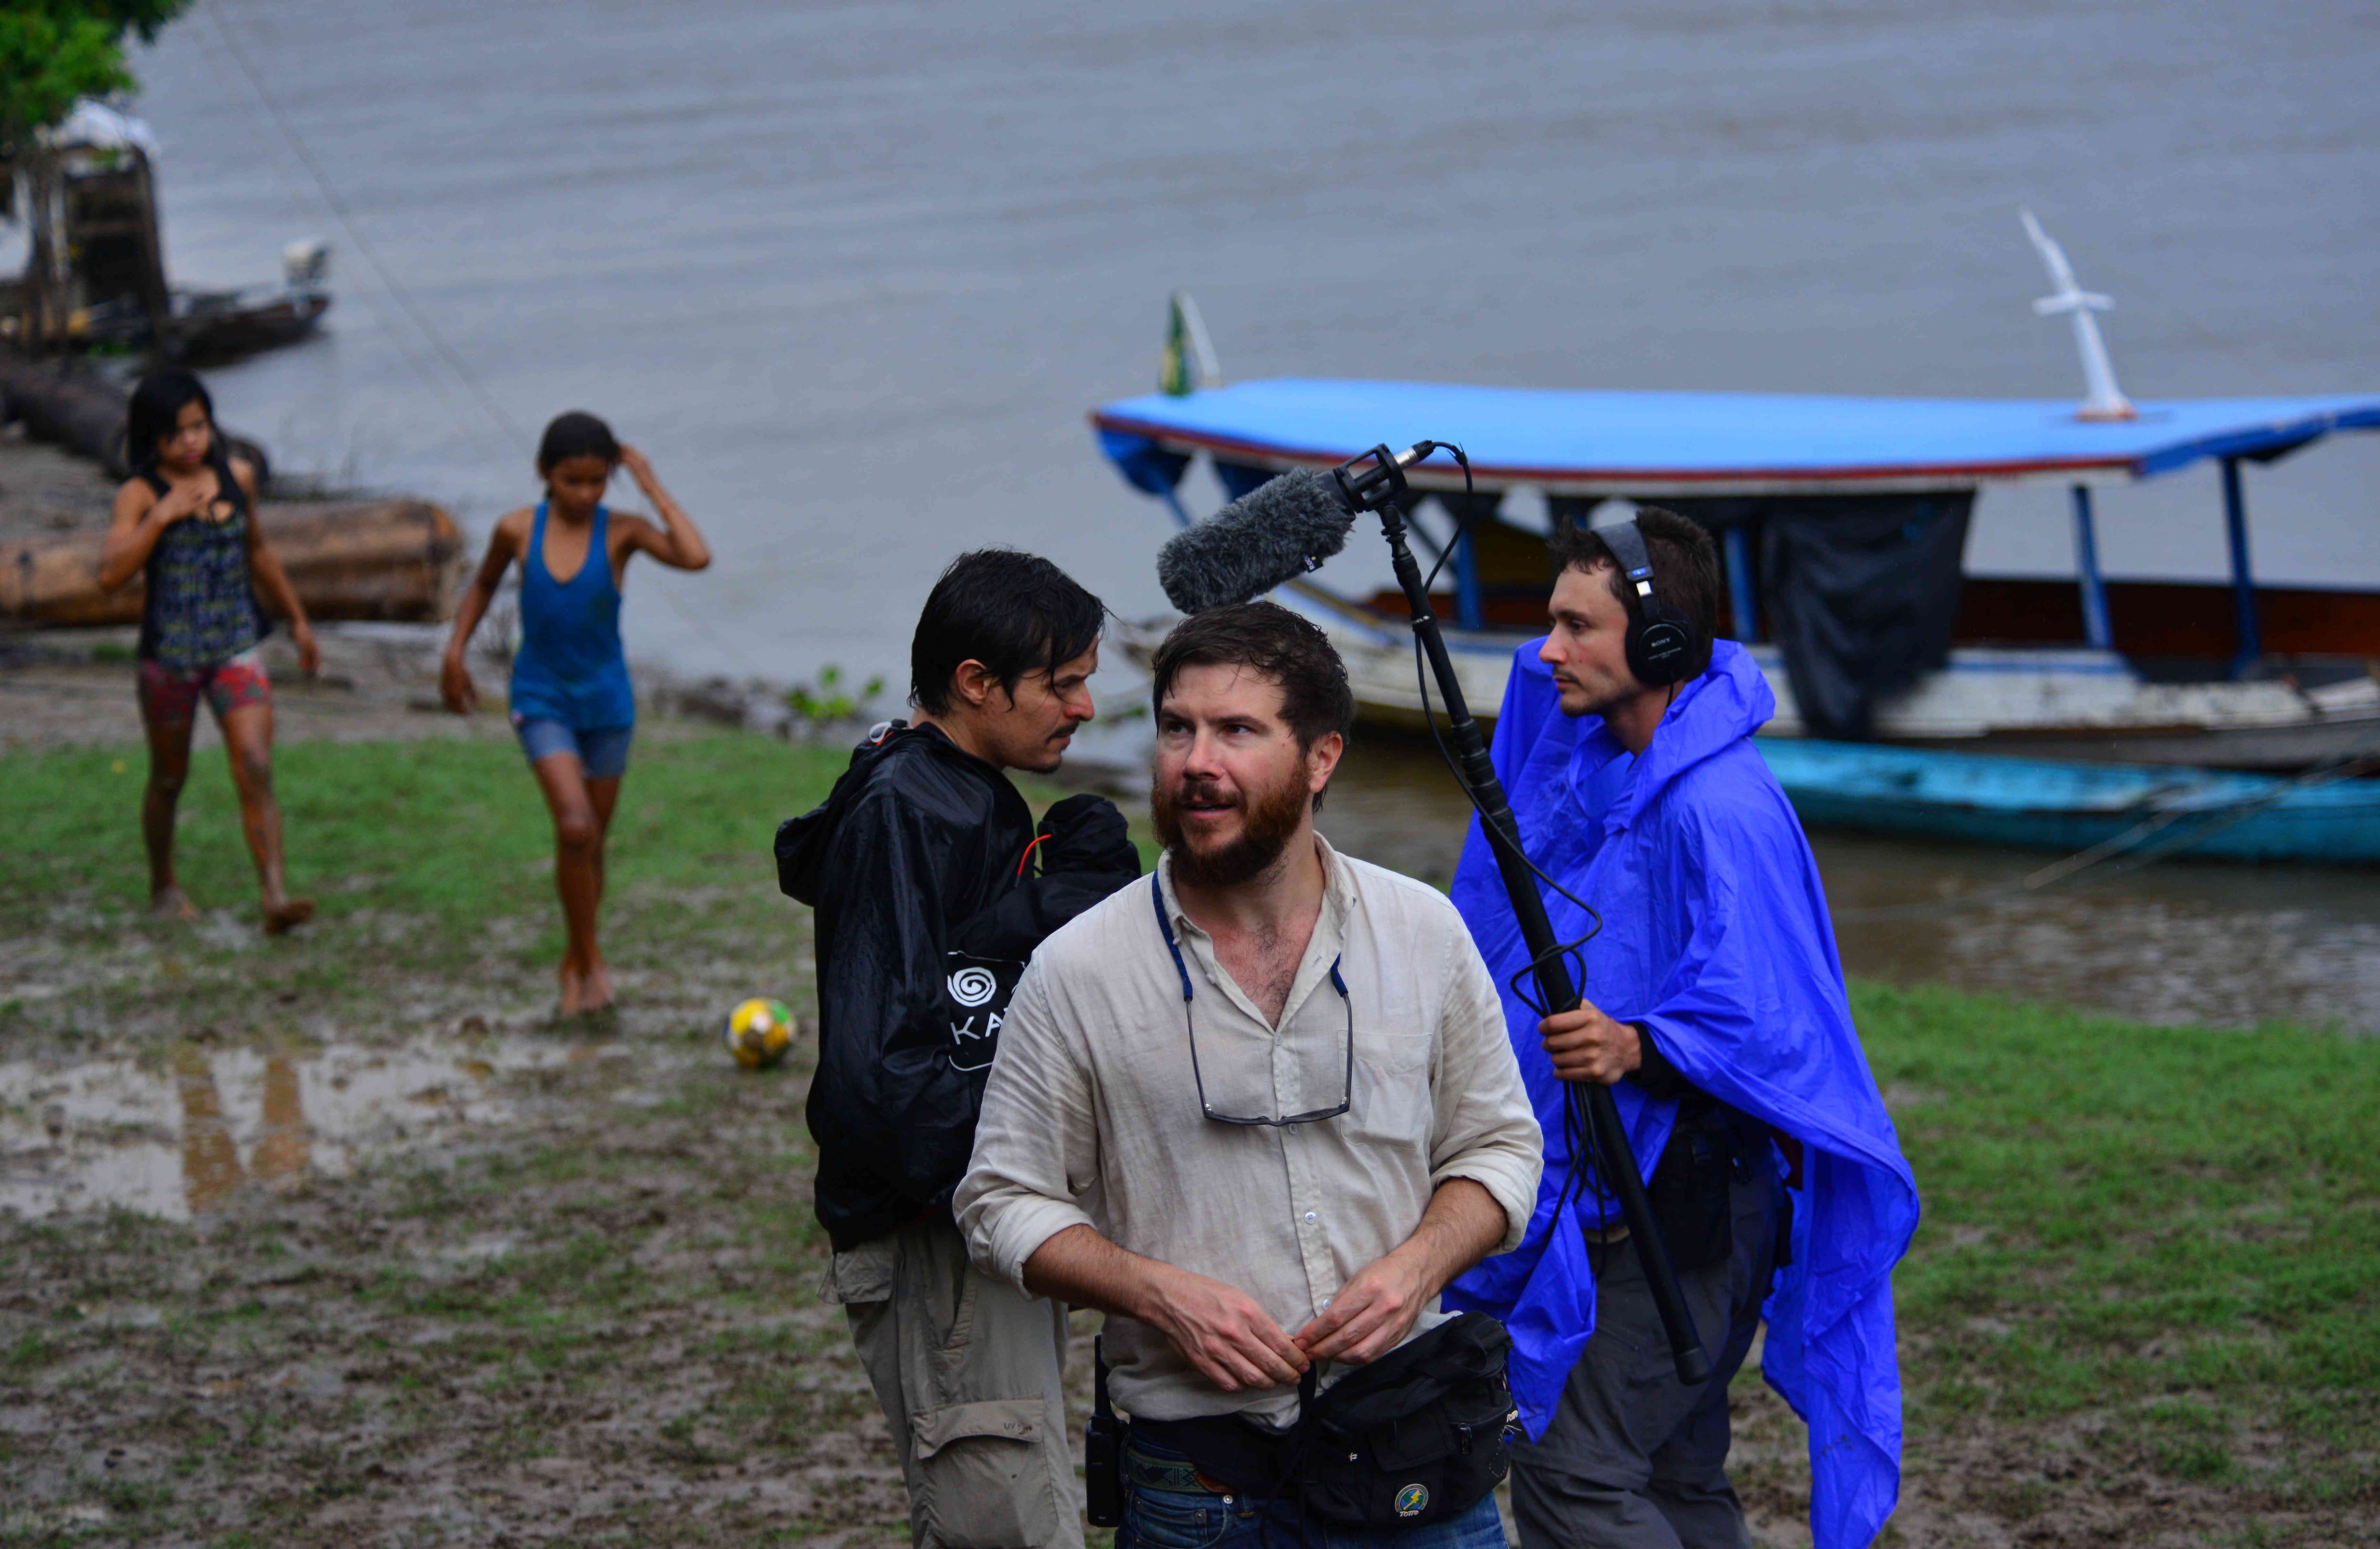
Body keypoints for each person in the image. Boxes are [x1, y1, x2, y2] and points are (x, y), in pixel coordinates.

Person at [957, 602, 1544, 1549]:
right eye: (1176, 727)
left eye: (1237, 730)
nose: (1197, 761)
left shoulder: (1423, 929)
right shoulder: (1077, 968)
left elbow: (1501, 1148)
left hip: (1415, 1453)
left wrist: (1418, 1266)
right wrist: (1157, 1294)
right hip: (1196, 1481)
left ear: (1320, 758)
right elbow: (999, 1203)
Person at [1439, 510, 1919, 1549]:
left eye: (1577, 626)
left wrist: (1639, 1046)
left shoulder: (1716, 804)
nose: (1547, 651)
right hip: (1633, 1190)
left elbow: (1779, 1025)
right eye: (1549, 622)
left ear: (1660, 642)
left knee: (1571, 1471)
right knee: (1674, 1469)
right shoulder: (1598, 764)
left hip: (1692, 1201)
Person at [774, 549, 1142, 1549]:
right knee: (1008, 1523)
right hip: (936, 1234)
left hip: (976, 1219)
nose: (1084, 706)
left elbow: (968, 983)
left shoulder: (968, 790)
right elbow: (880, 1069)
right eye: (1062, 683)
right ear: (977, 683)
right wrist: (998, 1187)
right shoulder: (907, 808)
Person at [440, 411, 711, 1014]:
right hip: (540, 698)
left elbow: (695, 557)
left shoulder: (621, 533)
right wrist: (454, 652)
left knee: (592, 846)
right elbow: (482, 586)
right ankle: (588, 965)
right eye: (572, 481)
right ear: (545, 474)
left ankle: (578, 955)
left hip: (607, 704)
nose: (585, 494)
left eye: (597, 482)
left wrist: (648, 482)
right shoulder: (516, 530)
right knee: (574, 827)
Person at [99, 369, 319, 935]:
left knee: (255, 763)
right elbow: (109, 575)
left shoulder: (236, 477)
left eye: (199, 426)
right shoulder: (140, 493)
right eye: (177, 433)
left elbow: (260, 551)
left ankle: (274, 897)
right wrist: (160, 518)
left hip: (236, 648)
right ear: (153, 439)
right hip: (169, 659)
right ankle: (163, 883)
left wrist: (296, 620)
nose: (192, 441)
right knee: (169, 779)